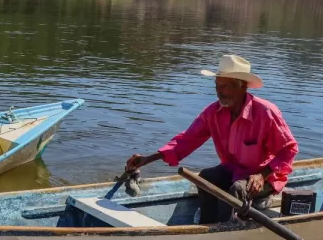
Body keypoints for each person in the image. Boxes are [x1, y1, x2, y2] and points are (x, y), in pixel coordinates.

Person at [126, 54, 298, 224]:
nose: (218, 91)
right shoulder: (213, 113)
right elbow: (186, 140)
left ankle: (222, 230)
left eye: (224, 86)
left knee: (236, 189)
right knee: (205, 178)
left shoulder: (265, 112)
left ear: (242, 86)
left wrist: (262, 175)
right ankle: (206, 225)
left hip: (265, 177)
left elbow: (288, 150)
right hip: (233, 170)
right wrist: (148, 159)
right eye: (217, 85)